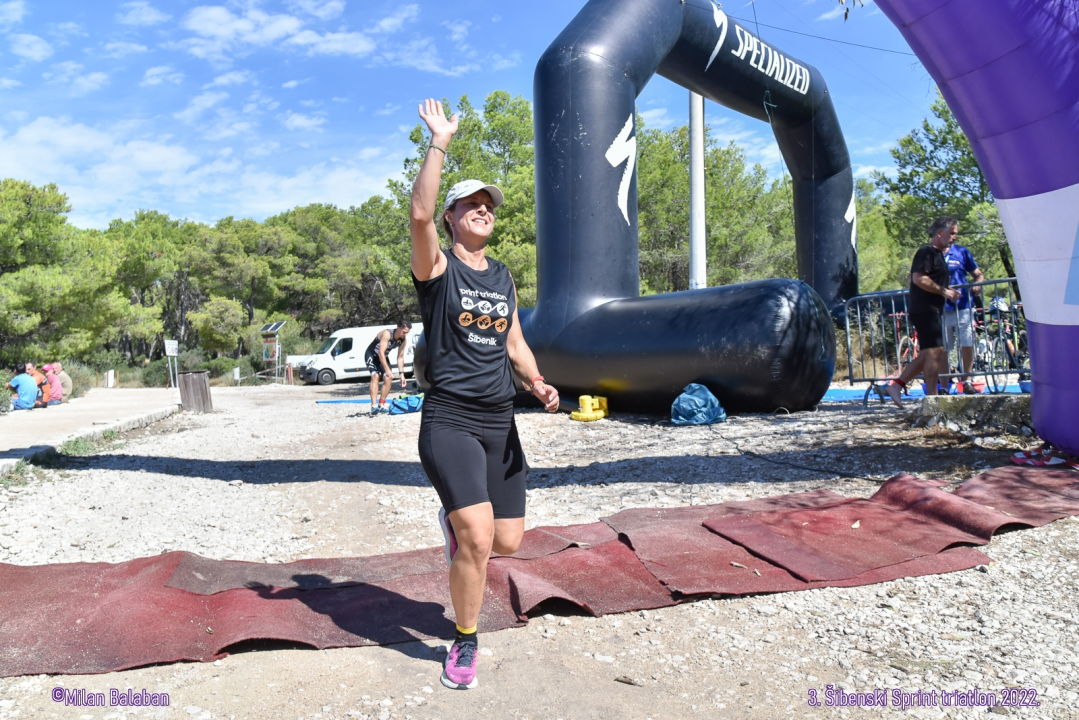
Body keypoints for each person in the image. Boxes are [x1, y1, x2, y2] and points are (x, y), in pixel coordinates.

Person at [410, 98, 559, 691]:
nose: (482, 210)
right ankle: (465, 641)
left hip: (501, 422)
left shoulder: (501, 276)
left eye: (487, 205)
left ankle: (458, 527)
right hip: (449, 418)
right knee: (476, 538)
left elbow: (515, 340)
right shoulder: (438, 270)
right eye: (470, 204)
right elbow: (418, 217)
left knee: (506, 540)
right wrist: (440, 141)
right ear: (451, 216)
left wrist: (537, 381)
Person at [885, 217, 962, 409]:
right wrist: (945, 291)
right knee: (935, 353)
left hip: (931, 309)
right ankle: (932, 399)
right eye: (952, 233)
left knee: (931, 353)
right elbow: (918, 278)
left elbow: (928, 280)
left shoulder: (937, 255)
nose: (954, 237)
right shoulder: (926, 252)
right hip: (924, 309)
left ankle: (897, 386)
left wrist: (948, 290)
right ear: (939, 233)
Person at [943, 241, 985, 394]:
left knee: (966, 343)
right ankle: (944, 384)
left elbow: (978, 274)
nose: (954, 237)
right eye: (951, 233)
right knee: (943, 348)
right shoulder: (930, 253)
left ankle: (967, 380)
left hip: (964, 306)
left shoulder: (962, 252)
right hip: (940, 308)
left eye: (955, 233)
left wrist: (978, 283)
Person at [365, 320, 412, 415]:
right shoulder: (387, 334)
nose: (405, 334)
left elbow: (400, 357)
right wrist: (387, 369)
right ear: (398, 328)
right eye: (404, 332)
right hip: (372, 355)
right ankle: (374, 405)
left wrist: (401, 374)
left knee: (388, 378)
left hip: (383, 357)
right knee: (375, 376)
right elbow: (380, 353)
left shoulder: (403, 340)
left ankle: (381, 404)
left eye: (407, 332)